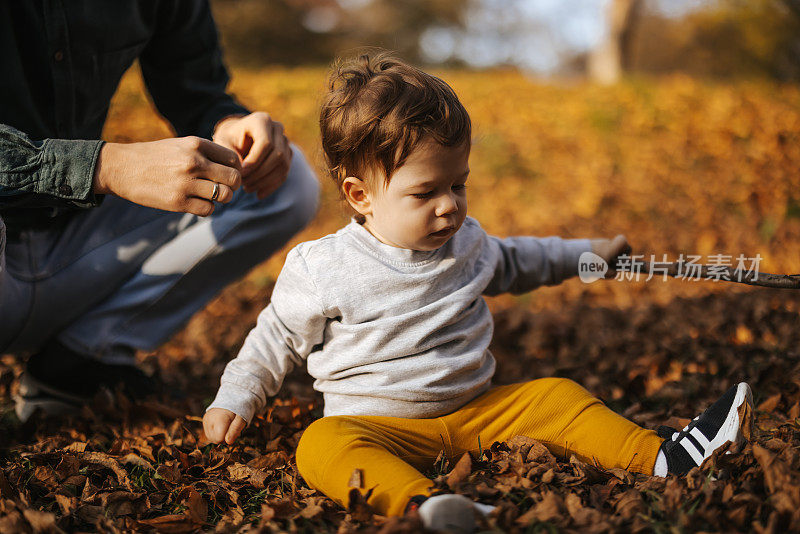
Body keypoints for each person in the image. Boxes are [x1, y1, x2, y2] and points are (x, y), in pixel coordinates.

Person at [202, 54, 753, 532]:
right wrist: (237, 395)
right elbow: (274, 337)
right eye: (426, 192)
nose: (450, 205)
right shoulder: (323, 267)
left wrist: (591, 256)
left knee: (556, 396)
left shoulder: (467, 242)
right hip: (378, 427)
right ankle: (426, 507)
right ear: (360, 194)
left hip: (479, 412)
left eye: (458, 184)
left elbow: (522, 259)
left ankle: (665, 456)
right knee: (319, 446)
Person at [0, 1, 319, 421]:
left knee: (286, 182)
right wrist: (105, 167)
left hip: (72, 251)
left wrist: (228, 126)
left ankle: (81, 360)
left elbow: (197, 91)